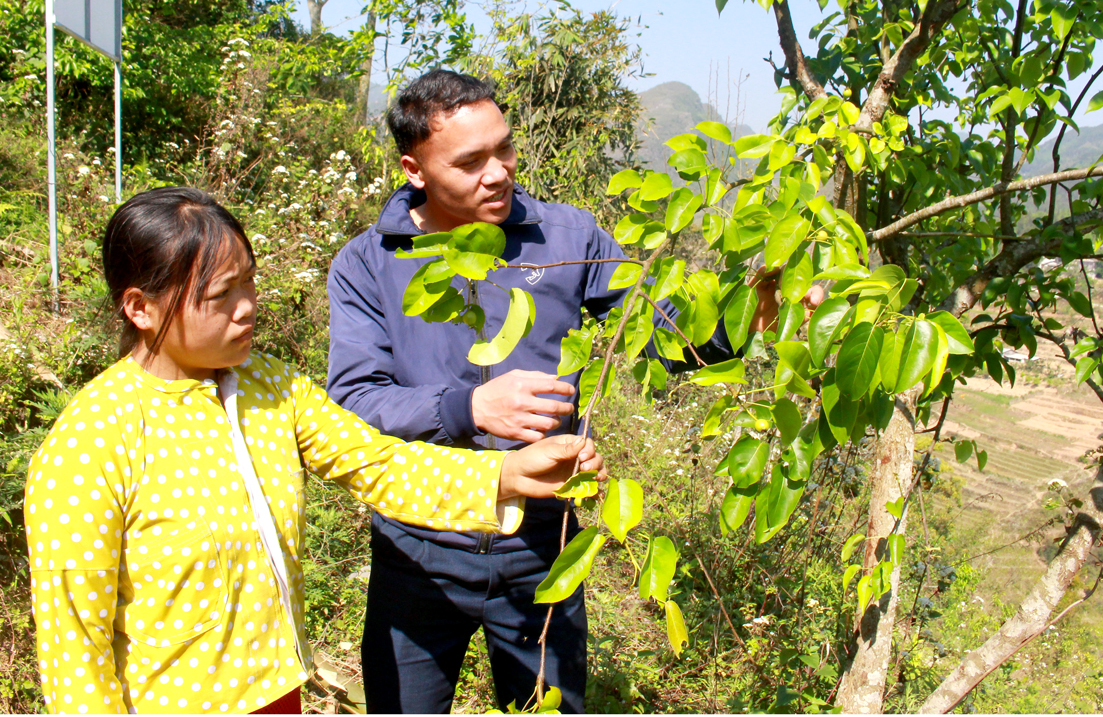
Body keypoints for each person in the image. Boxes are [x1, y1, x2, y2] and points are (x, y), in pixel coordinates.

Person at [23, 186, 604, 715]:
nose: (247, 306)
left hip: (279, 692)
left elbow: (379, 463)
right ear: (140, 308)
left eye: (248, 282)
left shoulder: (268, 387)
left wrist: (504, 472)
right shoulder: (94, 441)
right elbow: (76, 648)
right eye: (221, 294)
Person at [325, 70, 782, 713]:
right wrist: (468, 408)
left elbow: (664, 333)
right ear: (414, 169)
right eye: (471, 160)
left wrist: (744, 317)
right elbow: (354, 400)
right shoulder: (369, 263)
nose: (498, 173)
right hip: (417, 547)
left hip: (542, 546)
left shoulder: (568, 238)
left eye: (504, 149)